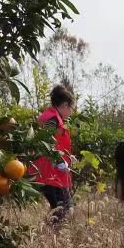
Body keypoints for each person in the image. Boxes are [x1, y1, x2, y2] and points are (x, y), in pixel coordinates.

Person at [31, 85, 75, 223]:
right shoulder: (52, 119)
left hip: (49, 173)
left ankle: (51, 237)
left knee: (61, 209)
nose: (72, 112)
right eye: (72, 108)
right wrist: (60, 161)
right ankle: (52, 239)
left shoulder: (52, 116)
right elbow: (45, 142)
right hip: (50, 174)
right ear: (65, 105)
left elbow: (55, 143)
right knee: (63, 210)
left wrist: (67, 156)